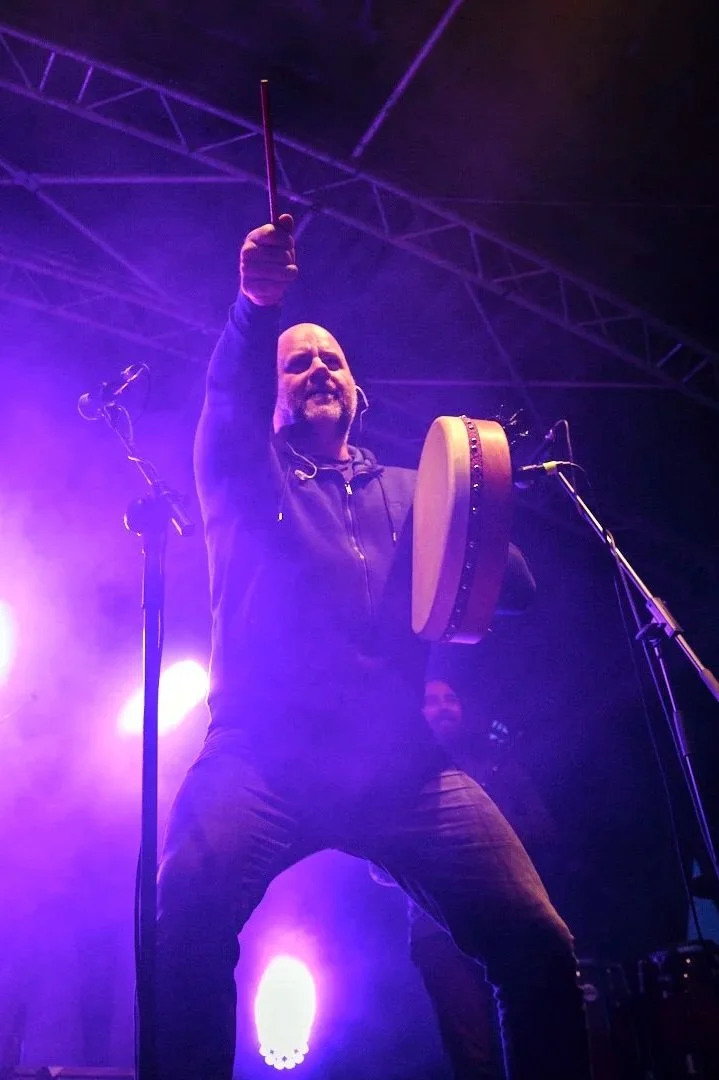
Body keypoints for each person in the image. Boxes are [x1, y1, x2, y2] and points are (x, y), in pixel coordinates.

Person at [155, 213, 592, 1080]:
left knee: (537, 942)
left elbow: (515, 590)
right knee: (183, 915)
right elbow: (226, 399)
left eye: (333, 361)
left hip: (401, 767)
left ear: (357, 392)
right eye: (297, 362)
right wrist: (254, 308)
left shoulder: (408, 489)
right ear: (273, 395)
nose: (318, 368)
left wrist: (470, 503)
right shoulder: (242, 473)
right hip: (261, 757)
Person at [373, 678, 560, 1080]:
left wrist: (489, 835)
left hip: (507, 920)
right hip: (436, 933)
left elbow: (543, 828)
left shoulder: (497, 765)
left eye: (450, 699)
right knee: (472, 1054)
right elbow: (378, 868)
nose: (443, 707)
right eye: (431, 701)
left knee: (531, 1034)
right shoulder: (398, 777)